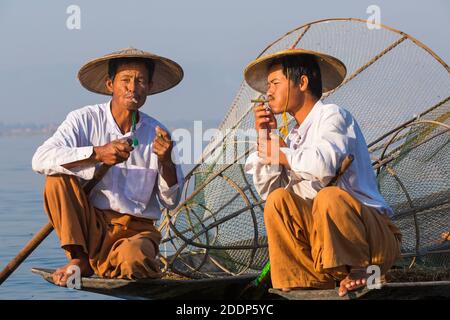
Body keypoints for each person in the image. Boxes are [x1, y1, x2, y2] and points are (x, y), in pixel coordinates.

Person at [243, 48, 402, 296]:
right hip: (325, 245)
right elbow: (269, 192)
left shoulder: (333, 116)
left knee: (329, 198)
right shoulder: (293, 137)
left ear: (302, 83)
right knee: (278, 201)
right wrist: (267, 138)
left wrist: (283, 154)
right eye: (268, 85)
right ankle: (303, 279)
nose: (268, 92)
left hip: (371, 242)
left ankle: (360, 269)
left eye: (275, 83)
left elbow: (323, 167)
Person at [32, 47, 184, 286]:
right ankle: (80, 260)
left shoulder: (158, 133)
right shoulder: (84, 120)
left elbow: (171, 201)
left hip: (135, 233)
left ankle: (108, 263)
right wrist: (97, 154)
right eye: (125, 80)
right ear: (110, 84)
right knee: (56, 179)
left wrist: (166, 162)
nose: (133, 87)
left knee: (135, 260)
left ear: (149, 88)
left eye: (140, 81)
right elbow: (40, 159)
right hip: (90, 227)